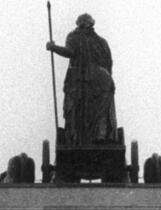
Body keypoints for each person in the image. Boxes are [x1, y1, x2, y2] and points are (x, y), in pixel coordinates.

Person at [46, 14, 116, 143]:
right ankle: (101, 136)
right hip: (104, 81)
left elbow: (70, 52)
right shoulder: (102, 42)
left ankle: (76, 138)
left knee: (76, 109)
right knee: (100, 112)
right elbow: (109, 63)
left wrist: (53, 47)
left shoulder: (74, 36)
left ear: (79, 24)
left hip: (81, 80)